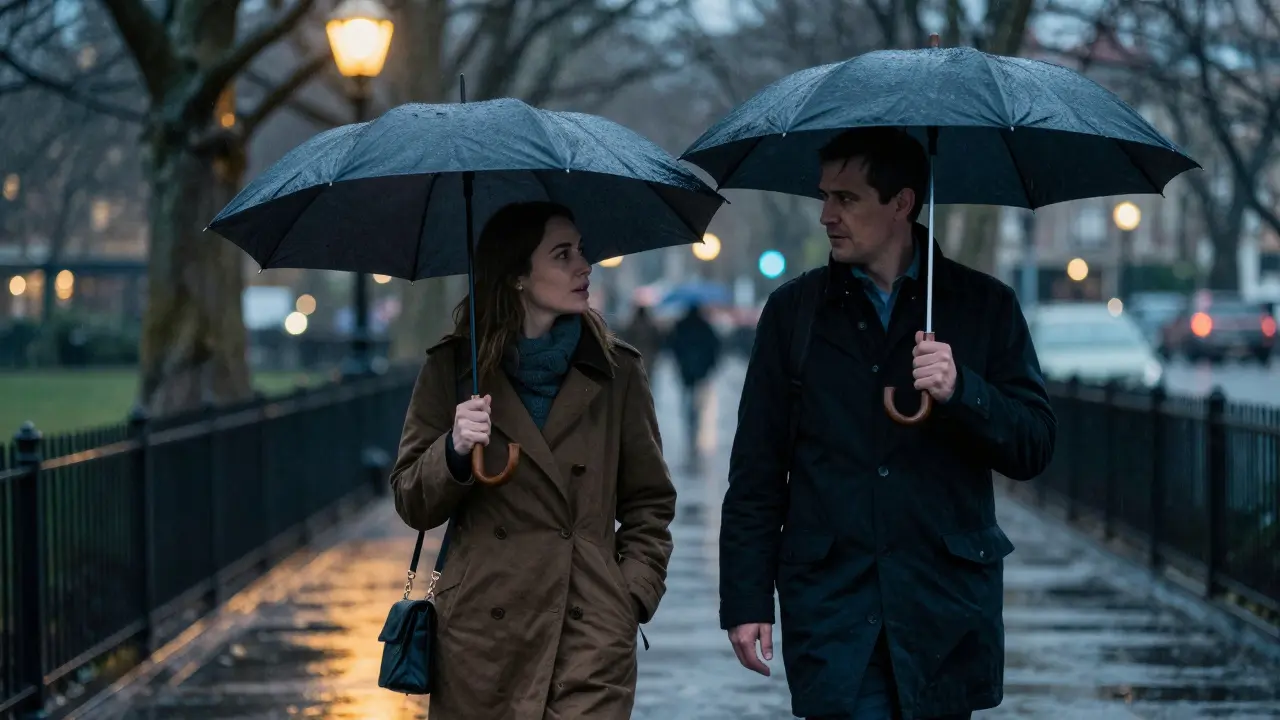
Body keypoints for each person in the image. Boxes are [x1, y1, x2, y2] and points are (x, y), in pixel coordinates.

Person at [719, 127, 1056, 720]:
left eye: (846, 198)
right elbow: (757, 471)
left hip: (942, 612)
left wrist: (962, 391)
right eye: (824, 196)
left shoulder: (984, 306)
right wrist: (746, 600)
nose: (826, 215)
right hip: (833, 610)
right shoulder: (794, 313)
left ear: (901, 203)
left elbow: (1033, 445)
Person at [389, 201, 677, 720]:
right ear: (518, 275)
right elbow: (411, 500)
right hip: (480, 639)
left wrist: (628, 597)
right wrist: (453, 449)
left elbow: (650, 504)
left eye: (580, 250)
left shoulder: (617, 372)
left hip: (587, 632)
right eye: (562, 254)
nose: (583, 266)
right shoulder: (453, 369)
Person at [665, 302, 722, 463]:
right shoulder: (705, 326)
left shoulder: (681, 326)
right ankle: (694, 423)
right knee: (698, 402)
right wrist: (710, 365)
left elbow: (672, 345)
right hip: (701, 371)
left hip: (686, 371)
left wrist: (679, 362)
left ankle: (690, 425)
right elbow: (715, 346)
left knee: (687, 401)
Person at [622, 303, 664, 367]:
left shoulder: (632, 326)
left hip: (635, 354)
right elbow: (658, 340)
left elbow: (626, 339)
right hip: (649, 354)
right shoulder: (652, 326)